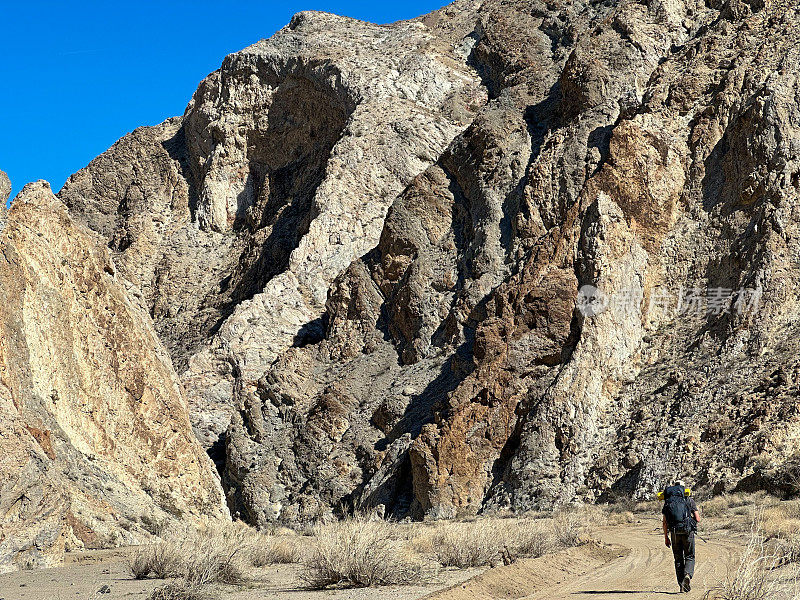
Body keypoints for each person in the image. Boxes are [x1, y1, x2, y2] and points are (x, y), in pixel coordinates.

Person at [662, 480, 701, 593]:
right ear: (684, 489)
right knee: (689, 555)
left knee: (678, 559)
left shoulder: (668, 501)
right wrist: (690, 522)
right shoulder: (689, 500)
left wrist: (666, 537)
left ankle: (681, 586)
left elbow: (665, 522)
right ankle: (687, 575)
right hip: (688, 532)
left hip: (674, 532)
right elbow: (698, 519)